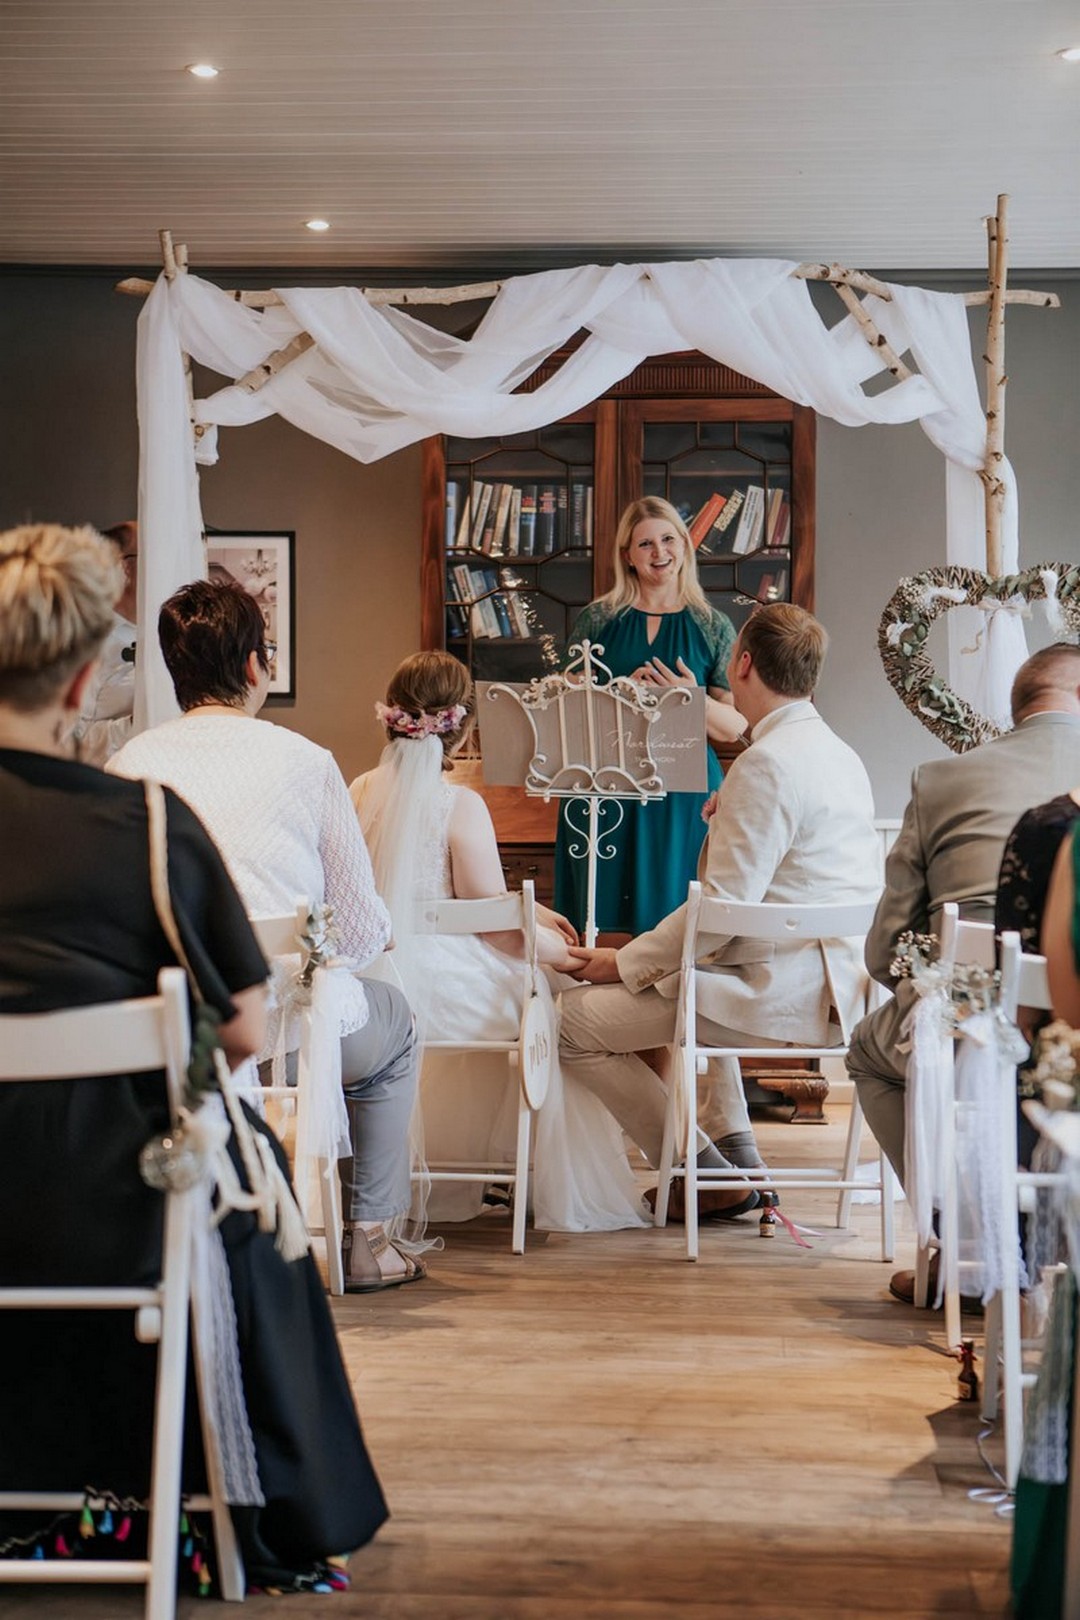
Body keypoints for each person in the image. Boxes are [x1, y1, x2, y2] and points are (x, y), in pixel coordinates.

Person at [0, 524, 386, 1591]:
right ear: (84, 681)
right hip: (107, 1200)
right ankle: (228, 1504)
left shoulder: (146, 778)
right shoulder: (144, 823)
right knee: (250, 1185)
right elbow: (251, 1033)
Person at [108, 578, 421, 1293]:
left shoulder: (127, 766)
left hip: (169, 1028)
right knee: (396, 1026)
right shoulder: (306, 761)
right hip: (281, 1030)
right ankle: (366, 1240)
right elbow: (365, 927)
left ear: (173, 668)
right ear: (254, 665)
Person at [559, 602, 880, 1215]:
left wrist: (621, 962)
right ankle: (737, 1150)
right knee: (695, 977)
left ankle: (696, 1167)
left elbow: (719, 918)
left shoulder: (766, 764)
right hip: (842, 986)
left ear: (742, 664)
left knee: (570, 1024)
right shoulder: (840, 755)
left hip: (773, 993)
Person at [350, 651, 648, 1231]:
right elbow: (492, 924)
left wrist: (533, 911)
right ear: (461, 731)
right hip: (455, 994)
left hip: (380, 984)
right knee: (551, 994)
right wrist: (564, 955)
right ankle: (534, 1180)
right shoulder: (459, 802)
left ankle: (435, 1170)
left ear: (393, 717)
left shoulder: (359, 789)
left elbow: (455, 901)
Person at [847, 642, 1080, 1301]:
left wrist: (922, 1002)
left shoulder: (941, 778)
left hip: (975, 1007)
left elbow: (885, 946)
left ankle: (962, 1241)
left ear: (1019, 709)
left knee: (869, 1053)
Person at [554, 496, 746, 937]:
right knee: (597, 921)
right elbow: (563, 708)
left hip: (682, 793)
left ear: (684, 545)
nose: (659, 553)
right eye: (645, 544)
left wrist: (687, 698)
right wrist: (621, 694)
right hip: (603, 783)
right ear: (628, 556)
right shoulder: (597, 619)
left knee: (677, 923)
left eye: (668, 539)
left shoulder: (712, 625)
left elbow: (736, 726)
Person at [72, 518, 138, 764]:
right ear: (124, 566)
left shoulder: (164, 633)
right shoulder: (87, 640)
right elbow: (71, 740)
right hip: (101, 786)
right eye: (150, 555)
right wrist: (138, 723)